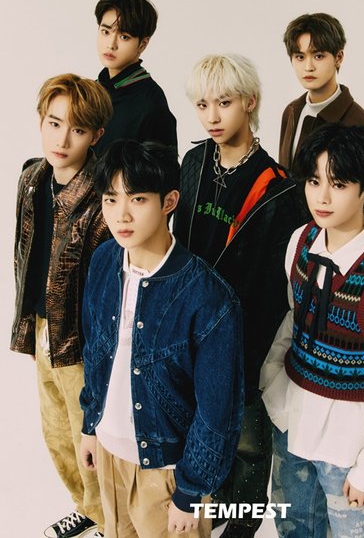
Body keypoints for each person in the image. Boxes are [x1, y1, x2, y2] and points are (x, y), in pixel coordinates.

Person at [260, 123, 364, 538]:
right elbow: (293, 318)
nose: (322, 197)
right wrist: (271, 382)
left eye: (338, 184)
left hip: (348, 442)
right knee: (293, 527)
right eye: (314, 181)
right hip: (291, 419)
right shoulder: (300, 241)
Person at [79, 140, 244, 538]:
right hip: (109, 455)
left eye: (137, 199)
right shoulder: (104, 260)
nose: (121, 215)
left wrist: (191, 491)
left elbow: (217, 412)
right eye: (111, 199)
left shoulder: (208, 297)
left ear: (169, 201)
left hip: (168, 472)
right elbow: (95, 351)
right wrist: (90, 425)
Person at [174, 54, 305, 538]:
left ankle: (242, 525)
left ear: (250, 102)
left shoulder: (278, 189)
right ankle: (207, 512)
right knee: (200, 432)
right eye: (202, 104)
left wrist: (253, 355)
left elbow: (275, 289)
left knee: (248, 446)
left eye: (224, 103)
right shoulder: (193, 163)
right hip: (191, 331)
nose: (211, 116)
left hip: (243, 338)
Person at [11, 73, 113, 538]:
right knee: (55, 433)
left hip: (81, 336)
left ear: (95, 135)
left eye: (77, 129)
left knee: (88, 436)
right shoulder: (32, 178)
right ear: (41, 121)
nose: (62, 139)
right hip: (41, 324)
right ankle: (88, 510)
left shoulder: (102, 194)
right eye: (54, 124)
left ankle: (110, 519)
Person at [279, 12, 364, 170]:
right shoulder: (292, 111)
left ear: (338, 57)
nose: (308, 67)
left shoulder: (360, 126)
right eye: (300, 57)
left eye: (318, 56)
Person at [94, 0, 177, 154]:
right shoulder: (91, 91)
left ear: (143, 44)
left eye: (124, 37)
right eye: (106, 32)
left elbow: (164, 168)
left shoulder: (151, 103)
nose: (111, 44)